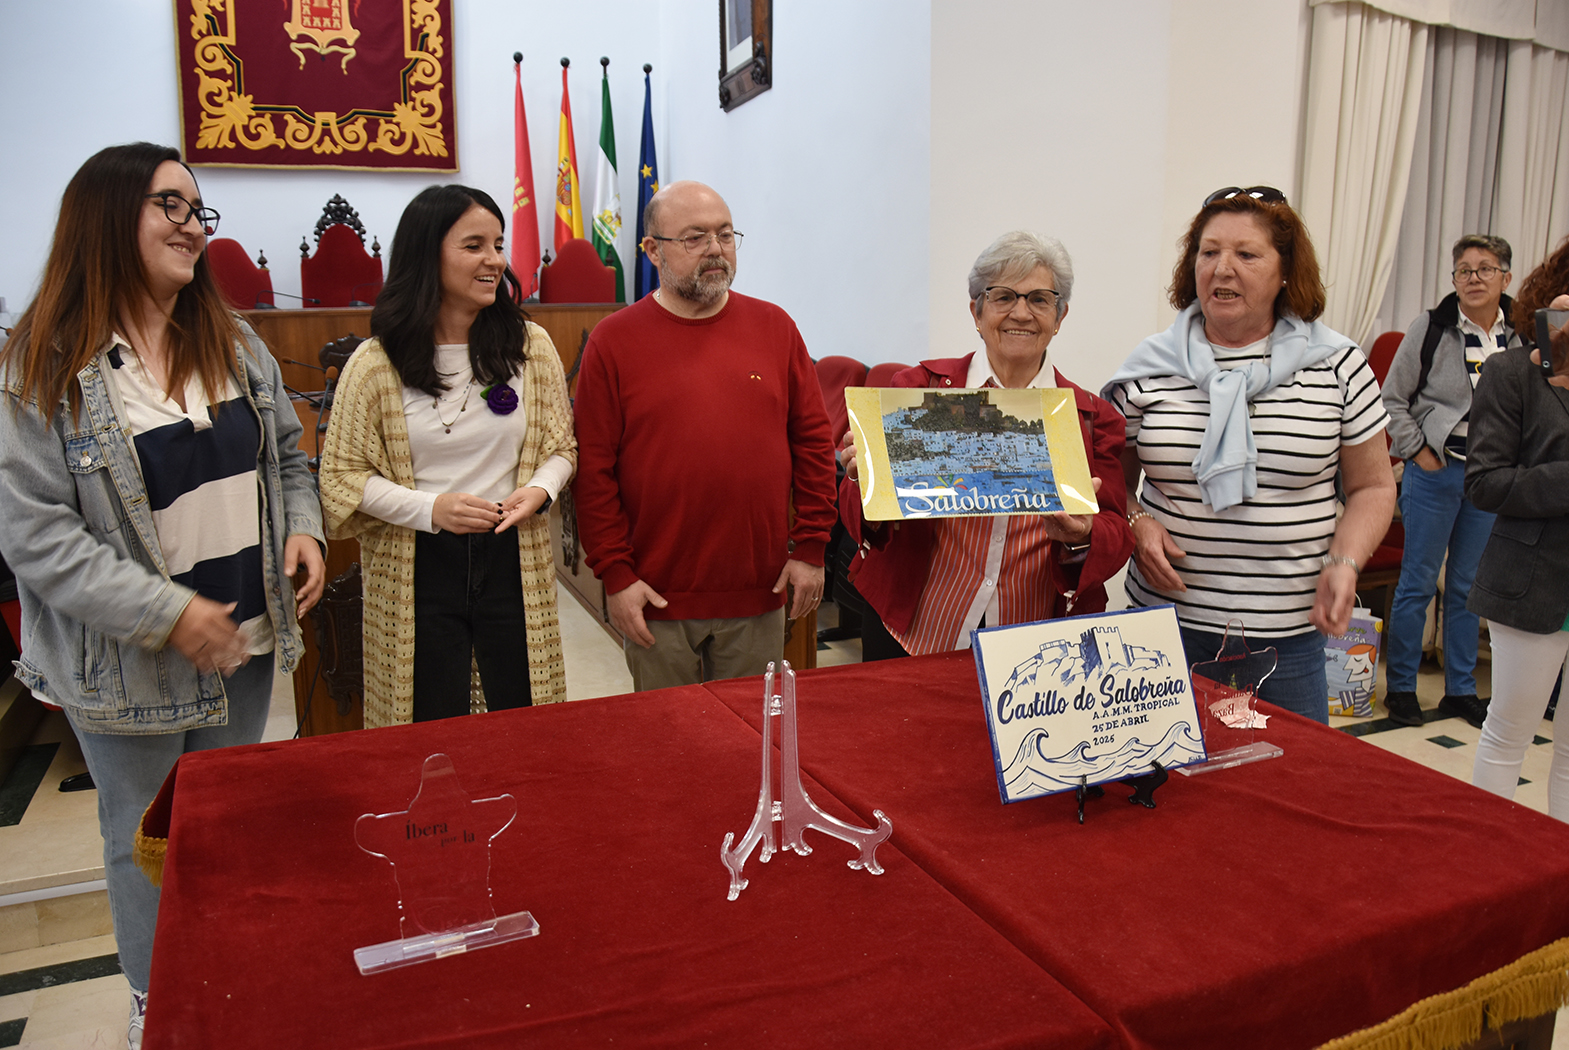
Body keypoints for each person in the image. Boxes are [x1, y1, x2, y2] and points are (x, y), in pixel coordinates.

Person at [0, 142, 325, 1048]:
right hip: (127, 664)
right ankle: (161, 1003)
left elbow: (287, 457)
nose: (193, 226)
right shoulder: (41, 369)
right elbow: (36, 538)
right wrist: (168, 613)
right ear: (107, 218)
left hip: (243, 640)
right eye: (169, 206)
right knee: (144, 841)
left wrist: (302, 527)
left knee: (224, 827)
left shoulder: (232, 339)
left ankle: (225, 975)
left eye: (197, 209)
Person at [1101, 186, 1395, 723]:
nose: (1222, 268)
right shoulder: (1149, 367)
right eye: (1209, 252)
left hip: (1289, 636)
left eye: (1246, 254)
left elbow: (1373, 486)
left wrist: (1345, 561)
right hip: (1162, 629)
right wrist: (1138, 522)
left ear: (1286, 272)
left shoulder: (1337, 365)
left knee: (1287, 773)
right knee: (1161, 775)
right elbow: (1110, 482)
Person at [318, 185, 575, 725]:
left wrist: (541, 488)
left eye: (498, 245)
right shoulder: (376, 362)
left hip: (513, 554)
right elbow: (342, 477)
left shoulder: (530, 347)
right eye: (474, 246)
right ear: (426, 254)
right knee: (429, 722)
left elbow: (561, 447)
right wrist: (431, 509)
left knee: (524, 713)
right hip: (417, 559)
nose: (495, 260)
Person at [572, 180, 837, 690]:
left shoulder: (775, 327)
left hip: (759, 591)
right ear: (653, 250)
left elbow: (812, 444)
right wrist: (617, 576)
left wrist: (810, 547)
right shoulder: (613, 341)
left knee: (752, 732)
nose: (716, 249)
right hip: (655, 596)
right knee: (671, 735)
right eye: (695, 238)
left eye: (725, 234)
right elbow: (594, 473)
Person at [837, 231, 1132, 659]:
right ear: (977, 311)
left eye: (1039, 299)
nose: (1021, 313)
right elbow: (859, 515)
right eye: (1003, 297)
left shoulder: (1090, 417)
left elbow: (1116, 532)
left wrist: (1083, 535)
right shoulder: (917, 390)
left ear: (1060, 316)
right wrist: (863, 482)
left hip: (1032, 651)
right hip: (912, 635)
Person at [1378, 235, 1519, 728]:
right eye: (1464, 270)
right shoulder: (1433, 327)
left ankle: (1460, 690)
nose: (1473, 278)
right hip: (1435, 473)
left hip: (1488, 480)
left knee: (1467, 588)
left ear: (1506, 277)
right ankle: (1401, 688)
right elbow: (1392, 399)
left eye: (1485, 268)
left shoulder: (1519, 333)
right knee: (1417, 584)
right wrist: (1420, 452)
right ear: (1454, 279)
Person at [1467, 290, 1569, 823]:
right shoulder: (1512, 371)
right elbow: (1484, 482)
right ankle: (1484, 863)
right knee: (1509, 735)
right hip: (1532, 578)